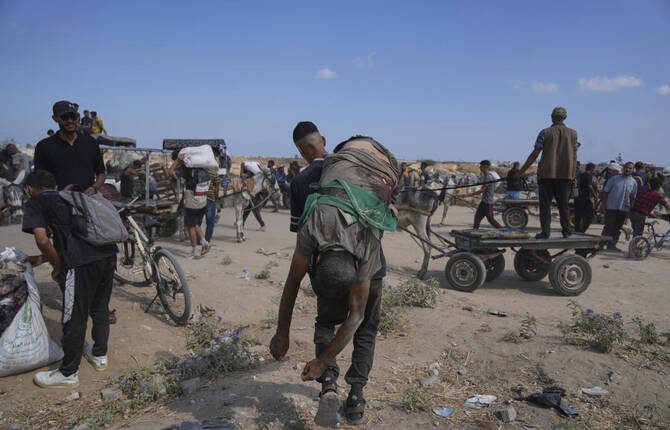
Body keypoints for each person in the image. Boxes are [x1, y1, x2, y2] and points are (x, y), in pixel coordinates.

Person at [271, 131, 398, 426]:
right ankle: (356, 397)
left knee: (327, 322)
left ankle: (328, 384)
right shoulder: (345, 238)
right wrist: (283, 333)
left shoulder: (318, 228)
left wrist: (315, 356)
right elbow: (356, 317)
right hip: (363, 267)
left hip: (362, 264)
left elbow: (293, 283)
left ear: (316, 260)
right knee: (366, 331)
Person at [22, 170, 117, 388]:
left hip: (81, 263)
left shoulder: (36, 202)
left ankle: (68, 372)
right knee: (100, 306)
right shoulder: (72, 197)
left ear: (30, 188)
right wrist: (46, 259)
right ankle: (99, 355)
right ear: (55, 186)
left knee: (73, 315)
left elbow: (42, 240)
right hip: (108, 254)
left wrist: (59, 267)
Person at [520, 107, 578, 238]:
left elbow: (535, 154)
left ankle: (545, 232)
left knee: (545, 206)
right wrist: (573, 175)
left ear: (552, 117)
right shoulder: (573, 134)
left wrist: (521, 171)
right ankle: (566, 231)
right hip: (565, 176)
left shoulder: (545, 132)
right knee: (563, 206)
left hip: (546, 175)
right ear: (565, 118)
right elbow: (574, 157)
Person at [34, 100, 106, 195]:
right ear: (55, 118)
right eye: (65, 117)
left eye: (73, 117)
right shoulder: (44, 146)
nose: (70, 121)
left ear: (78, 118)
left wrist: (94, 188)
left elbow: (101, 172)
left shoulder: (91, 143)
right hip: (58, 199)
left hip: (88, 198)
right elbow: (39, 179)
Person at [168, 150, 210, 258]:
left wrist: (177, 161)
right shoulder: (203, 167)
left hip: (192, 201)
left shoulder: (186, 168)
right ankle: (205, 242)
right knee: (196, 223)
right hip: (203, 200)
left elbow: (170, 172)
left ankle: (195, 250)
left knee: (190, 225)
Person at [599, 162, 638, 251]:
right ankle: (601, 245)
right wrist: (603, 205)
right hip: (611, 207)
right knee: (608, 226)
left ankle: (611, 245)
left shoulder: (634, 182)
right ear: (623, 168)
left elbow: (632, 198)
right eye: (626, 167)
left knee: (617, 228)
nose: (627, 169)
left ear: (633, 170)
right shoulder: (614, 179)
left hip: (624, 209)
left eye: (630, 168)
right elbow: (605, 192)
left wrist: (630, 210)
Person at [468, 160, 502, 229]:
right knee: (477, 218)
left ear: (485, 166)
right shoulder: (485, 176)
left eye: (481, 166)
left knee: (491, 220)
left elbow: (481, 191)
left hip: (488, 203)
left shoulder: (489, 177)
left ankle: (504, 231)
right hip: (483, 202)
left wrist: (467, 195)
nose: (480, 167)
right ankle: (475, 232)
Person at [240, 160, 267, 231]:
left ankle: (263, 225)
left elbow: (242, 176)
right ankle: (242, 223)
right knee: (248, 208)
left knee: (255, 209)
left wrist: (241, 168)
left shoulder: (250, 172)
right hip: (257, 192)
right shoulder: (257, 172)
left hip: (256, 193)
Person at [573, 162, 598, 233]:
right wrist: (595, 196)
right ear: (592, 169)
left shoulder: (580, 175)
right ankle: (582, 230)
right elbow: (589, 186)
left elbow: (575, 184)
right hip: (585, 198)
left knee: (578, 215)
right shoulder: (589, 175)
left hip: (578, 197)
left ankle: (577, 230)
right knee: (590, 216)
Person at [204, 167, 221, 243]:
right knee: (210, 222)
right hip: (210, 199)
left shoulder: (199, 171)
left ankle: (198, 239)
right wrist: (216, 199)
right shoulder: (214, 173)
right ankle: (207, 240)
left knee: (197, 222)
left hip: (199, 199)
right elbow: (217, 189)